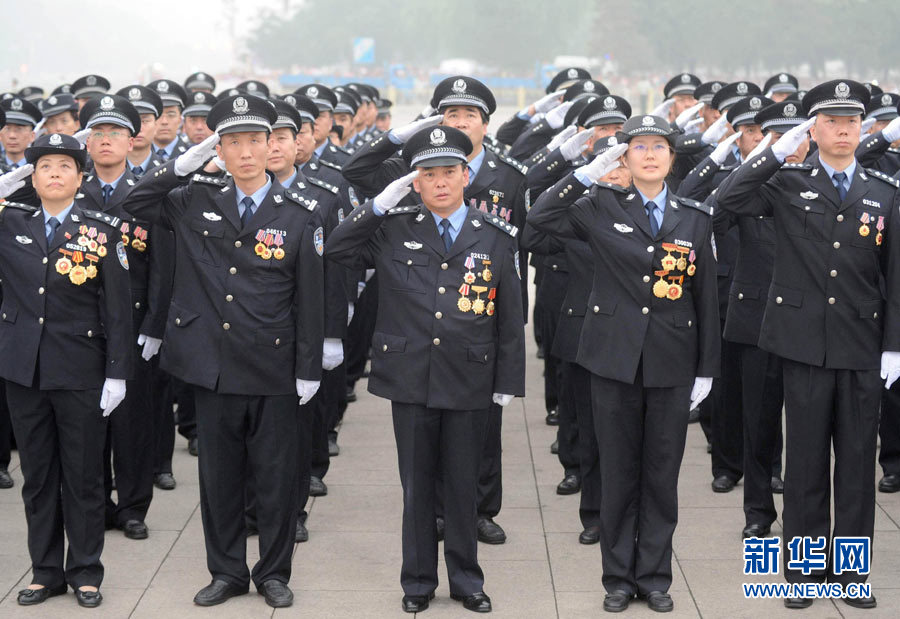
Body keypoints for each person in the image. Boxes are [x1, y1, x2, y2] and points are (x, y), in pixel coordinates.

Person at [123, 94, 325, 609]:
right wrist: (182, 166)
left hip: (273, 365)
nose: (246, 152)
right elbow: (133, 203)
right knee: (218, 481)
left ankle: (274, 572)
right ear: (220, 150)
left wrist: (307, 368)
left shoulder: (301, 213)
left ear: (272, 146)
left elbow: (310, 296)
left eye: (255, 141)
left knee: (276, 480)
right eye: (232, 143)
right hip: (212, 367)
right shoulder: (195, 199)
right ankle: (227, 571)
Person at [714, 79, 900, 610]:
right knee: (805, 463)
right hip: (801, 346)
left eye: (852, 122)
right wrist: (773, 152)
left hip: (862, 346)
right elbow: (726, 203)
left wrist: (895, 346)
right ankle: (801, 575)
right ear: (812, 128)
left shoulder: (883, 193)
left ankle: (850, 575)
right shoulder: (787, 183)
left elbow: (897, 275)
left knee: (858, 465)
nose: (843, 130)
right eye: (832, 121)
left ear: (863, 128)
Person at [326, 124, 525, 614]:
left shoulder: (495, 238)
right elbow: (335, 248)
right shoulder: (393, 228)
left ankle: (466, 580)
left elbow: (509, 318)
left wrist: (508, 381)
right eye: (428, 174)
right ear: (414, 181)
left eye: (449, 173)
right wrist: (376, 205)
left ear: (465, 177)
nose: (439, 182)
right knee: (416, 486)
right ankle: (417, 582)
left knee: (462, 485)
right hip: (411, 376)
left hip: (469, 376)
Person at [527, 115, 720, 613]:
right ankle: (617, 578)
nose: (650, 155)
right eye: (639, 147)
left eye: (659, 147)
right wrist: (586, 174)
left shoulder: (695, 216)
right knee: (616, 471)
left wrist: (706, 369)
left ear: (672, 158)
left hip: (672, 362)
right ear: (624, 157)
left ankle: (654, 577)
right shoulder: (597, 205)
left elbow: (705, 296)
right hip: (612, 359)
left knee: (661, 472)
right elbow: (539, 220)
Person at [0, 133, 133, 608]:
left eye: (64, 166)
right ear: (30, 178)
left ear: (81, 177)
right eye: (43, 167)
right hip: (24, 371)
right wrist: (6, 182)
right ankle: (45, 571)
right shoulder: (10, 220)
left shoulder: (101, 229)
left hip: (80, 370)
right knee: (37, 476)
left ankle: (85, 571)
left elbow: (118, 309)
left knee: (82, 477)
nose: (54, 173)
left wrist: (117, 373)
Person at [78, 94, 174, 541]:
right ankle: (97, 503)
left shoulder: (147, 192)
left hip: (135, 323)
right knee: (89, 418)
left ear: (131, 139)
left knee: (134, 420)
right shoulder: (73, 189)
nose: (106, 141)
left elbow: (162, 264)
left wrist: (156, 325)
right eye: (98, 133)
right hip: (81, 324)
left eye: (115, 133)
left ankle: (133, 506)